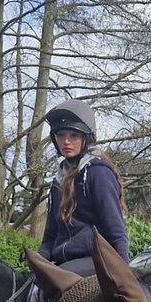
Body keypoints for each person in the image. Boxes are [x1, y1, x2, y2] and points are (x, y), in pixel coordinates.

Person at [38, 98, 129, 272]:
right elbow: (49, 237)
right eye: (60, 135)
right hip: (63, 265)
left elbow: (116, 232)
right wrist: (38, 263)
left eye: (73, 135)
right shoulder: (58, 181)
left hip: (95, 262)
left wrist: (125, 274)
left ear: (86, 138)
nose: (66, 142)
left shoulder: (97, 172)